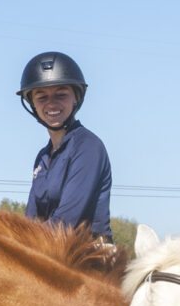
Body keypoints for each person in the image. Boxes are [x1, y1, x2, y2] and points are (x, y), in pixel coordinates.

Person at [17, 51, 112, 240]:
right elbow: (30, 220)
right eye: (42, 97)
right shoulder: (42, 157)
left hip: (90, 253)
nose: (51, 104)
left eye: (61, 95)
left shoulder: (89, 147)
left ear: (76, 97)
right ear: (33, 104)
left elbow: (66, 222)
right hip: (51, 250)